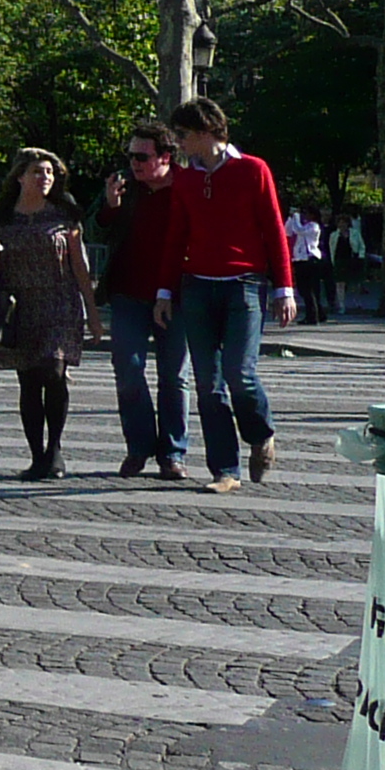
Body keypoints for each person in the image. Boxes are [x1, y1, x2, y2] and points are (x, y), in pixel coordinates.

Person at [153, 98, 295, 494]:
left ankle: (261, 433)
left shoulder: (253, 170)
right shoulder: (185, 179)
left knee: (240, 372)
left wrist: (285, 288)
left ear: (203, 132)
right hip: (196, 285)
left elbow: (273, 230)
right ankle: (225, 470)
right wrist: (165, 291)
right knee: (207, 384)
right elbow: (175, 235)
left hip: (244, 284)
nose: (178, 144)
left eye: (182, 136)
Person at [0, 148, 96, 481]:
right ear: (20, 177)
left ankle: (55, 450)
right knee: (29, 380)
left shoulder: (64, 215)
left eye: (49, 172)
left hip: (60, 303)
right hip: (19, 307)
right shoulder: (0, 220)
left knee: (54, 371)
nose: (45, 177)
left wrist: (93, 313)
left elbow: (80, 266)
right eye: (37, 172)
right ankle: (37, 456)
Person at [94, 121, 188, 482]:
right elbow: (94, 229)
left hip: (176, 296)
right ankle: (138, 447)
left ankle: (173, 453)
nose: (134, 163)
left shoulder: (186, 185)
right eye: (131, 155)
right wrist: (110, 206)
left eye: (141, 156)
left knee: (174, 377)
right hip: (128, 294)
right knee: (128, 369)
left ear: (165, 157)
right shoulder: (124, 187)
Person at [284, 204, 327, 326]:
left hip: (309, 259)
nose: (305, 216)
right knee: (306, 290)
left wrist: (296, 216)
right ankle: (318, 313)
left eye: (307, 213)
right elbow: (287, 231)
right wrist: (291, 218)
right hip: (300, 259)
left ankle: (312, 316)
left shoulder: (314, 226)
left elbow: (299, 231)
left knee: (308, 289)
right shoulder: (303, 225)